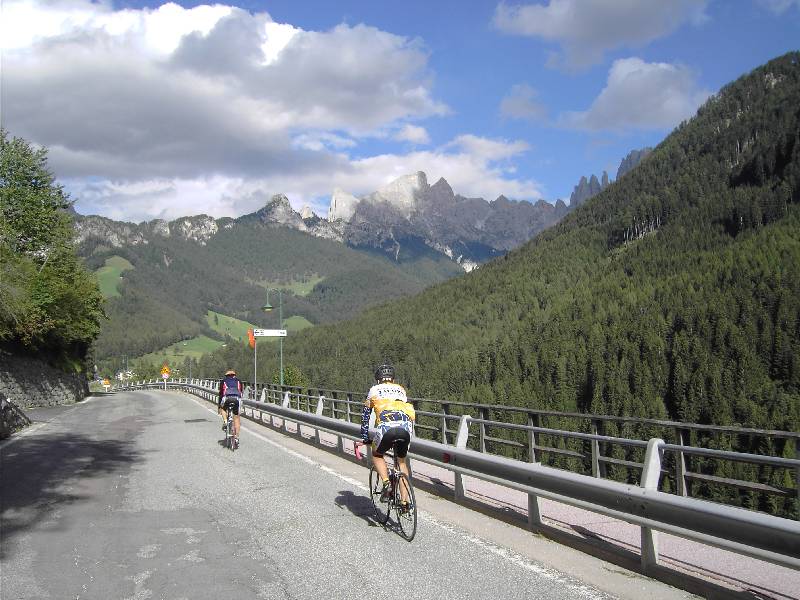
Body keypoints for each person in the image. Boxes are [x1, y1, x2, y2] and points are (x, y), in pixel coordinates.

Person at [360, 363, 415, 507]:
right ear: (392, 379)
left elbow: (366, 416)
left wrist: (365, 436)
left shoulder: (374, 390)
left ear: (378, 379)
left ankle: (386, 483)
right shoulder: (401, 389)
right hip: (406, 428)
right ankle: (404, 502)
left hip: (386, 428)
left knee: (377, 454)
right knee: (401, 462)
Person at [218, 368, 243, 445]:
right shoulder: (239, 381)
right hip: (237, 399)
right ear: (234, 375)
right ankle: (236, 438)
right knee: (237, 418)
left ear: (226, 375)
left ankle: (225, 421)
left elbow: (221, 394)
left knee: (223, 409)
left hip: (227, 398)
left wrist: (219, 406)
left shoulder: (223, 381)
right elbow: (241, 392)